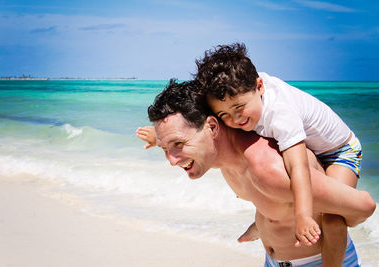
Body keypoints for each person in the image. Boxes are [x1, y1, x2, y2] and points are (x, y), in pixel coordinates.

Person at [137, 43, 363, 266]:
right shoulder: (235, 111)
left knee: (334, 220)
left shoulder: (278, 127)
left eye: (178, 144)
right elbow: (200, 133)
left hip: (341, 152)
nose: (234, 119)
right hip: (274, 260)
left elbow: (301, 169)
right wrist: (163, 139)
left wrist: (308, 215)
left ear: (260, 87)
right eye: (224, 114)